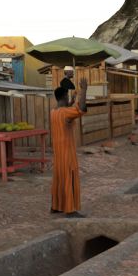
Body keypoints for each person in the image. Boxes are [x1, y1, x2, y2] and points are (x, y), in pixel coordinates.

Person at [50, 77, 88, 218]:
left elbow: (65, 109)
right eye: (67, 96)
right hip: (67, 153)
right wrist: (84, 90)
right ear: (64, 96)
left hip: (58, 154)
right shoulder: (65, 113)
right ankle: (70, 210)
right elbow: (82, 109)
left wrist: (72, 99)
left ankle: (56, 207)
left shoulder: (53, 112)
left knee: (59, 179)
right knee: (69, 179)